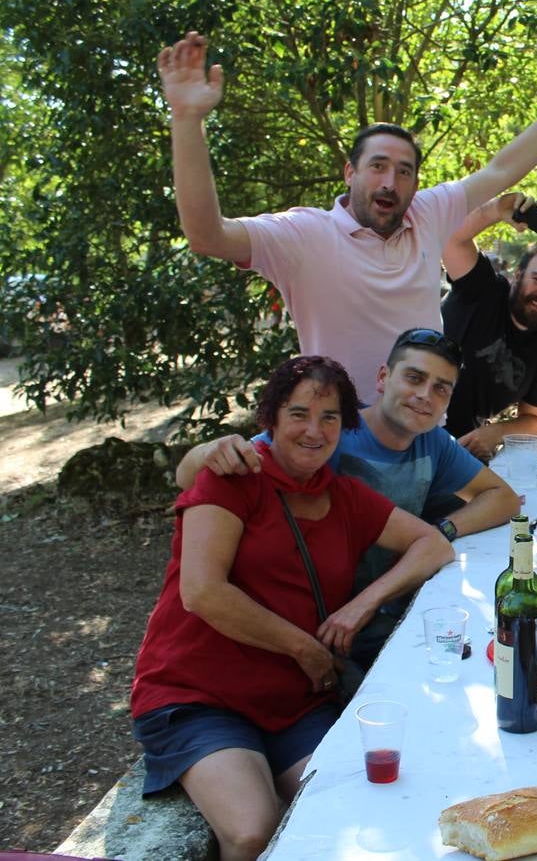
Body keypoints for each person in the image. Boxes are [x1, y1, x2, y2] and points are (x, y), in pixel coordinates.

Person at [157, 31, 537, 404]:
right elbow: (207, 235)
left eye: (404, 171)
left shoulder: (429, 212)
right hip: (344, 440)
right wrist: (186, 118)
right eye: (377, 166)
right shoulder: (303, 234)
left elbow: (505, 167)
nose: (389, 183)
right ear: (350, 172)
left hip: (425, 435)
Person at [132, 356, 452, 860]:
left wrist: (362, 605)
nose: (314, 430)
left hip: (292, 700)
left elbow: (433, 545)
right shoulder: (232, 480)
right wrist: (305, 647)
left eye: (329, 418)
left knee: (349, 810)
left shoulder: (345, 496)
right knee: (252, 830)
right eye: (298, 413)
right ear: (272, 419)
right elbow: (203, 592)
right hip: (200, 694)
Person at [176, 328, 517, 669]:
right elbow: (209, 473)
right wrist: (209, 449)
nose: (424, 395)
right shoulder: (326, 433)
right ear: (383, 377)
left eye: (441, 388)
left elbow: (503, 497)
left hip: (380, 607)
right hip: (309, 614)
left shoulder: (434, 443)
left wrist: (444, 529)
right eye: (414, 378)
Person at [440, 193, 537, 460]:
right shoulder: (483, 288)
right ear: (518, 277)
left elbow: (536, 417)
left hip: (463, 449)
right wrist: (495, 209)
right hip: (411, 429)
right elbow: (452, 239)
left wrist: (495, 433)